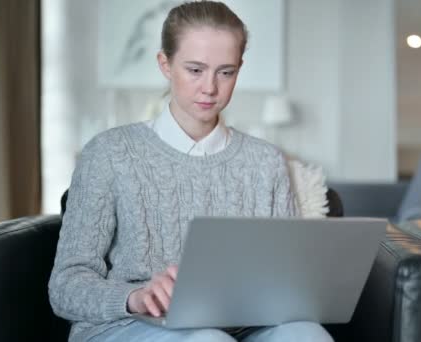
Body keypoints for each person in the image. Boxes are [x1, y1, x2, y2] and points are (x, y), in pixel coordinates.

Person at [48, 1, 334, 341]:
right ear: (165, 64)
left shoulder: (266, 161)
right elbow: (66, 285)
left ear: (239, 69)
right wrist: (134, 297)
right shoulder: (109, 152)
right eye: (195, 70)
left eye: (225, 72)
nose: (210, 88)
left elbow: (286, 279)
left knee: (308, 335)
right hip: (127, 325)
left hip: (243, 328)